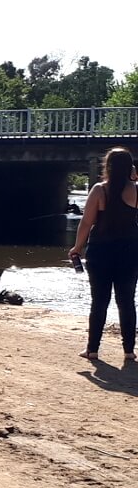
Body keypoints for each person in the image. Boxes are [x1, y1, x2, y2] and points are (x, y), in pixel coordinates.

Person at [70, 147, 138, 360]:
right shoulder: (136, 190)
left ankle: (92, 349)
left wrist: (77, 247)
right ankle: (129, 351)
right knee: (126, 301)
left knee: (99, 301)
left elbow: (86, 222)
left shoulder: (100, 190)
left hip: (100, 252)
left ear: (107, 167)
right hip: (130, 251)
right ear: (130, 166)